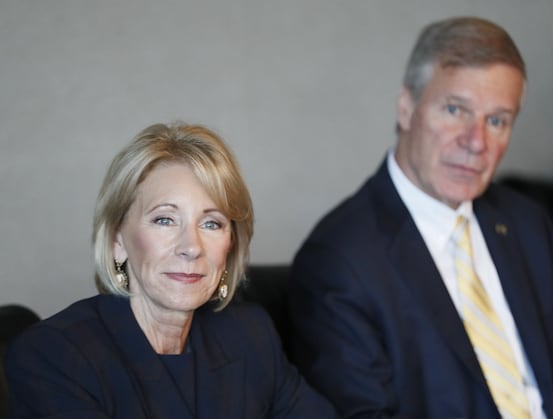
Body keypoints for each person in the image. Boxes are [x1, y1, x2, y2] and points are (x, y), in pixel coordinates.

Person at [288, 16, 553, 419]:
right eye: (455, 109)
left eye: (497, 121)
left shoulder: (527, 224)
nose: (476, 142)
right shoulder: (339, 261)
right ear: (406, 108)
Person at [5, 122, 338, 418]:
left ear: (230, 244)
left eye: (211, 223)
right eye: (164, 219)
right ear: (118, 239)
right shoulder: (54, 357)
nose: (191, 247)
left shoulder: (250, 335)